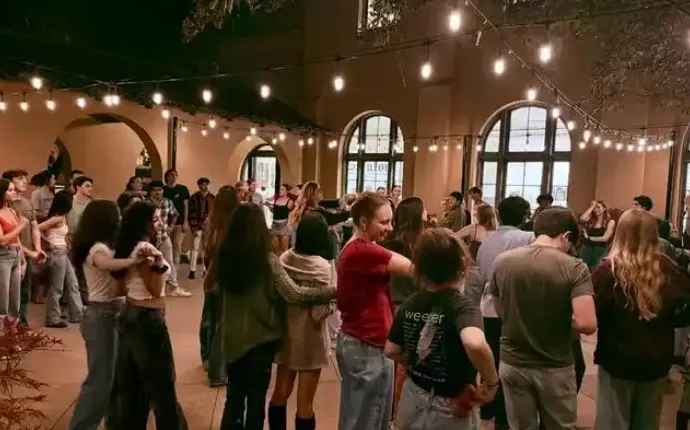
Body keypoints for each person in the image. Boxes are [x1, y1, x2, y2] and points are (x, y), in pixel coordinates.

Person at [216, 204, 335, 430]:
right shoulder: (268, 261)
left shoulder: (224, 258)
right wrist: (333, 292)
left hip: (232, 340)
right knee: (256, 403)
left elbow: (209, 288)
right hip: (262, 340)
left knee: (234, 400)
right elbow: (294, 294)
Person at [490, 207, 597, 429]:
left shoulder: (503, 261)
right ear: (566, 237)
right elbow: (587, 324)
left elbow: (501, 310)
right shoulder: (574, 267)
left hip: (512, 361)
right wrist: (559, 318)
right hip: (554, 364)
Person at [385, 228, 500, 430]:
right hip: (450, 405)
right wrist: (491, 383)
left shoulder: (410, 302)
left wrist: (418, 362)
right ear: (462, 264)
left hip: (413, 396)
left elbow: (391, 350)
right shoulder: (462, 307)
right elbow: (474, 343)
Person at [591, 209, 690, 430]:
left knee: (612, 421)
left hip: (616, 359)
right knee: (647, 422)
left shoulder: (607, 271)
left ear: (620, 233)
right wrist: (666, 319)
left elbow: (592, 312)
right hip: (656, 359)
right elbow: (685, 311)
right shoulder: (669, 270)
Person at [68, 200, 151, 430]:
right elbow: (107, 264)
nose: (120, 219)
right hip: (102, 314)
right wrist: (133, 261)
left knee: (114, 378)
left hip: (111, 312)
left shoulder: (103, 245)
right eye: (117, 215)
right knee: (100, 381)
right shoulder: (96, 248)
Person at [336, 192, 414, 430]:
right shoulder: (363, 251)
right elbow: (413, 269)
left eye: (391, 221)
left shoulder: (360, 247)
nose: (389, 228)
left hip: (361, 343)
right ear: (363, 222)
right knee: (368, 421)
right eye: (384, 222)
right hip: (368, 346)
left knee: (358, 418)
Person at [109, 201, 188, 429]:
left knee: (133, 388)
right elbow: (155, 289)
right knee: (162, 387)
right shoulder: (144, 249)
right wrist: (160, 263)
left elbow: (119, 287)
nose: (160, 223)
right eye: (155, 219)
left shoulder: (126, 246)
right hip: (148, 318)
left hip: (130, 314)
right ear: (142, 223)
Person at [467, 196, 532, 430]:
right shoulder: (528, 238)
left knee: (490, 361)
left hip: (487, 309)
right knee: (512, 365)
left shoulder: (487, 242)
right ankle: (505, 415)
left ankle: (488, 407)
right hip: (514, 309)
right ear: (524, 216)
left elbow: (479, 278)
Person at [268, 212, 338, 430]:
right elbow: (320, 311)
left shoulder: (285, 259)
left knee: (280, 393)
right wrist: (333, 303)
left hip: (287, 335)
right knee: (305, 403)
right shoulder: (323, 267)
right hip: (312, 339)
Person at [381, 197, 427, 418]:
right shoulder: (416, 245)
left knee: (392, 362)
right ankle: (398, 414)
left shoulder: (388, 241)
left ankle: (390, 412)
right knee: (405, 366)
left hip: (389, 304)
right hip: (409, 308)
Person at [200, 186, 239, 386]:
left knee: (209, 317)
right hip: (226, 276)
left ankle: (206, 358)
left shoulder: (211, 221)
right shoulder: (235, 222)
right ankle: (217, 372)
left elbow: (206, 251)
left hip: (211, 274)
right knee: (222, 323)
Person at [2, 170, 45, 326]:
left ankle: (21, 324)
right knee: (5, 295)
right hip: (7, 254)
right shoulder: (7, 206)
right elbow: (6, 239)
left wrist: (37, 250)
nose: (24, 181)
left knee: (22, 292)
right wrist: (30, 253)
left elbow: (34, 227)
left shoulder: (24, 204)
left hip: (21, 253)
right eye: (19, 178)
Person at [39, 190, 84, 328]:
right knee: (56, 287)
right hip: (56, 252)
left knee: (73, 283)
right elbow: (37, 228)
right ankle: (52, 318)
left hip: (62, 252)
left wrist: (67, 242)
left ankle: (77, 314)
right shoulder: (57, 218)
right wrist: (48, 242)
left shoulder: (62, 217)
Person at [149, 180, 190, 298]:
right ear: (150, 192)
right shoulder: (146, 203)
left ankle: (174, 287)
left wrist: (171, 227)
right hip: (150, 238)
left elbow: (175, 214)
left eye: (160, 190)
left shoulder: (167, 201)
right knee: (149, 262)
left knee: (169, 261)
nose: (157, 192)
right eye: (155, 190)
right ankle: (151, 288)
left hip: (164, 236)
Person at [0, 179, 30, 326]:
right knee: (3, 299)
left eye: (14, 189)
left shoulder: (11, 211)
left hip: (15, 255)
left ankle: (11, 333)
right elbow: (2, 241)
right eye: (10, 190)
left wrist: (23, 261)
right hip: (3, 257)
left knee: (14, 301)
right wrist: (21, 226)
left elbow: (17, 239)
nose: (14, 193)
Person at [188, 177, 214, 279]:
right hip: (197, 226)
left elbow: (213, 213)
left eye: (207, 184)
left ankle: (205, 270)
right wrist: (194, 227)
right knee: (195, 248)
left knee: (206, 249)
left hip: (208, 227)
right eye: (203, 184)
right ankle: (192, 270)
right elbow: (191, 213)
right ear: (199, 186)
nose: (205, 186)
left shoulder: (212, 197)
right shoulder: (194, 197)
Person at [163, 169, 190, 265]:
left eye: (175, 175)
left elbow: (186, 206)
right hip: (166, 223)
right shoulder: (163, 190)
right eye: (171, 175)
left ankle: (175, 269)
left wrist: (186, 221)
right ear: (167, 177)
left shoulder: (182, 189)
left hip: (180, 222)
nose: (174, 176)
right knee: (166, 246)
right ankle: (167, 267)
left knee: (176, 245)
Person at [579, 200, 616, 268]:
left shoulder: (610, 222)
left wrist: (588, 238)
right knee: (584, 270)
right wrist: (591, 207)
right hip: (586, 249)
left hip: (600, 250)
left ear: (604, 208)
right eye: (594, 208)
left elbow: (605, 238)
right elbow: (582, 219)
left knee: (597, 270)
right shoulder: (590, 220)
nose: (596, 209)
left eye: (598, 207)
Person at [269, 184, 295, 256]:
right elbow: (276, 212)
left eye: (282, 189)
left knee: (284, 249)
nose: (280, 191)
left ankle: (283, 262)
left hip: (284, 225)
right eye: (280, 189)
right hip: (275, 225)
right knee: (275, 248)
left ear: (287, 191)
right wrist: (270, 207)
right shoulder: (277, 200)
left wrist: (290, 224)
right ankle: (277, 262)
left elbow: (291, 213)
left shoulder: (289, 201)